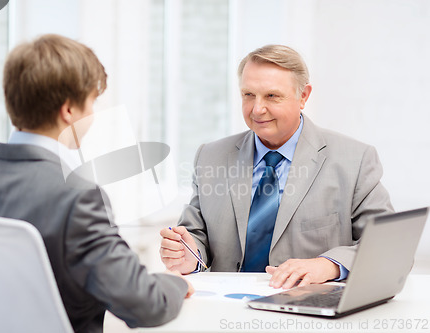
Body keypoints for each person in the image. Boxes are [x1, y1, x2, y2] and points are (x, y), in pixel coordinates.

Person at [0, 34, 193, 333]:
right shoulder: (77, 197)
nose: (93, 115)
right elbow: (145, 305)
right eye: (91, 103)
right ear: (69, 110)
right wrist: (173, 282)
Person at [160, 44, 393, 290]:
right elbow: (196, 235)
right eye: (248, 95)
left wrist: (327, 265)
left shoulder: (354, 159)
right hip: (226, 308)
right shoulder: (210, 156)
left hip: (306, 311)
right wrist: (189, 255)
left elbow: (389, 245)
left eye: (272, 96)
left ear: (303, 96)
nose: (257, 109)